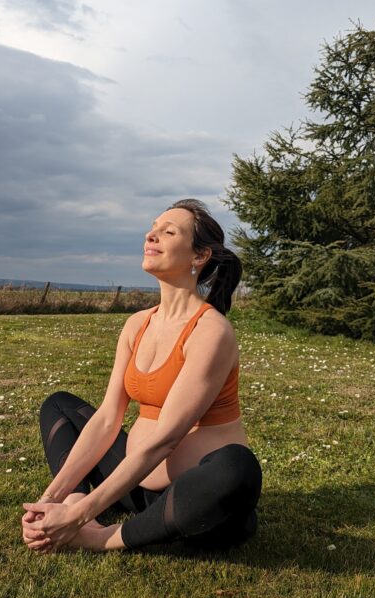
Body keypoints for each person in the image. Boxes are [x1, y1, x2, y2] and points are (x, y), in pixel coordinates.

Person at [20, 198, 262, 554]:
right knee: (60, 407)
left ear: (199, 257)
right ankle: (74, 502)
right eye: (152, 228)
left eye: (169, 231)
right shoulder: (138, 324)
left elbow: (166, 439)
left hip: (193, 501)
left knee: (238, 468)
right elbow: (107, 419)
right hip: (136, 488)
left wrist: (79, 520)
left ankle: (98, 536)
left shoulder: (211, 332)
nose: (152, 235)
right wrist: (52, 501)